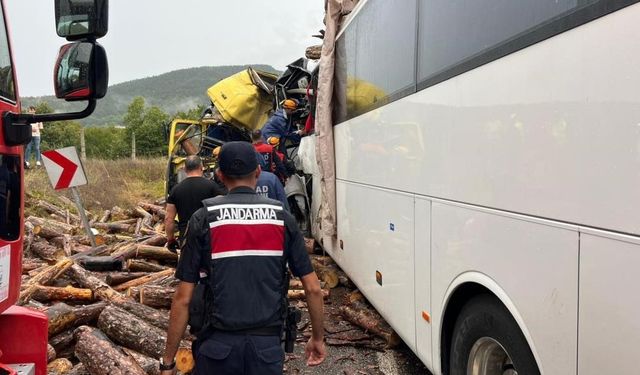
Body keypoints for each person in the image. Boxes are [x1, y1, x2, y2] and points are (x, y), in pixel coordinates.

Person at [160, 141, 325, 375]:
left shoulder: (203, 219)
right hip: (266, 348)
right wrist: (318, 338)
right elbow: (313, 288)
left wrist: (168, 361)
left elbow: (183, 299)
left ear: (219, 175)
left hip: (217, 348)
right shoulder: (282, 219)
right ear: (258, 171)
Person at [164, 155, 225, 252]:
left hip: (186, 237)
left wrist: (170, 239)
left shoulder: (176, 190)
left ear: (184, 169)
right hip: (208, 237)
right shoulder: (212, 187)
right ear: (202, 167)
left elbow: (168, 219)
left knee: (188, 266)